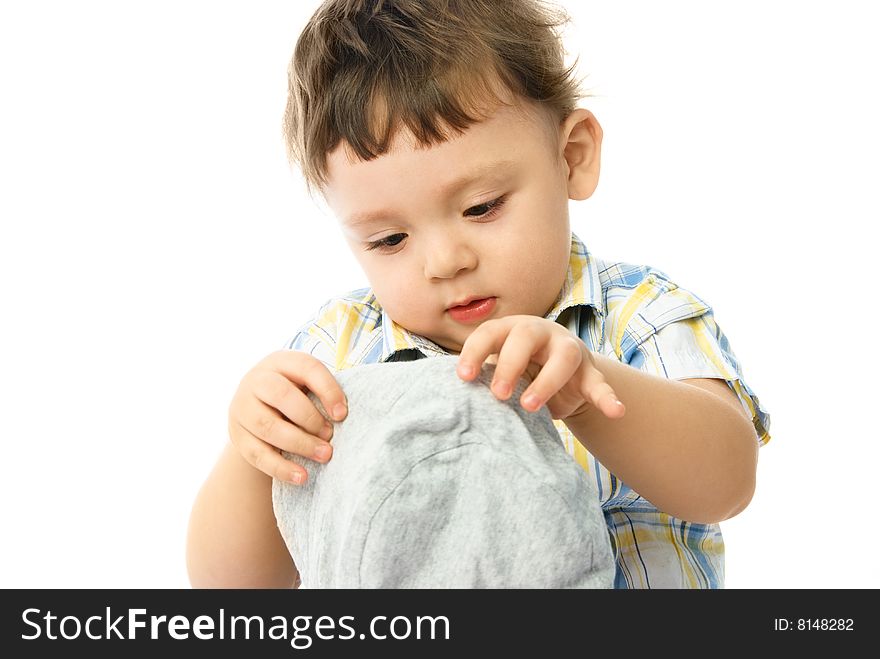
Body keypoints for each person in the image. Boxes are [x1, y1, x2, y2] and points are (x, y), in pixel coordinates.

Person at [186, 0, 771, 589]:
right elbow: (231, 588)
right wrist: (252, 451)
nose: (445, 262)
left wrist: (590, 390)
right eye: (389, 239)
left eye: (481, 207)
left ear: (572, 158)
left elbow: (726, 484)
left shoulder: (637, 314)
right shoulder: (336, 357)